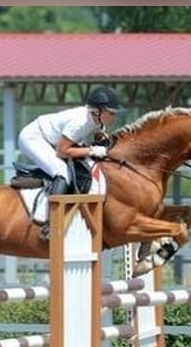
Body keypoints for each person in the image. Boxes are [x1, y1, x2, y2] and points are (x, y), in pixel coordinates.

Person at [17, 86, 123, 239]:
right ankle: (51, 224)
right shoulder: (80, 122)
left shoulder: (96, 119)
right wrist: (91, 151)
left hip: (52, 140)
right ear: (98, 111)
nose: (114, 117)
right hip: (34, 138)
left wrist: (100, 138)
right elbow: (62, 151)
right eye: (111, 113)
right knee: (62, 172)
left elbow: (96, 132)